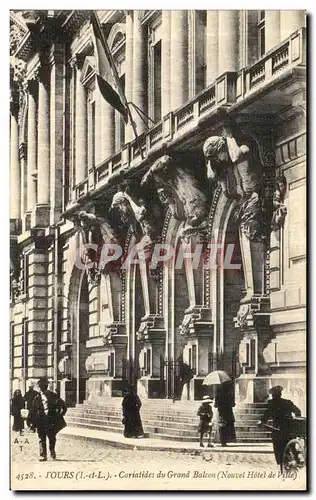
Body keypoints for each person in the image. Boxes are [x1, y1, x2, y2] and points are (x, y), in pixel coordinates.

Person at [258, 386, 301, 470]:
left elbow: (266, 415)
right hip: (289, 427)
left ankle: (280, 464)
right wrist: (296, 421)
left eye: (274, 395)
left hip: (277, 428)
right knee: (291, 445)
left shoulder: (271, 403)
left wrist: (262, 422)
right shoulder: (287, 402)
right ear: (280, 394)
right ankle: (296, 459)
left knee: (277, 447)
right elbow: (298, 411)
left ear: (273, 395)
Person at [30, 377, 67, 461]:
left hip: (51, 420)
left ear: (46, 386)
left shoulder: (53, 395)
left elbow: (63, 405)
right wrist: (32, 422)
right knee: (41, 438)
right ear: (40, 387)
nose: (43, 388)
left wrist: (61, 414)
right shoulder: (37, 398)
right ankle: (43, 455)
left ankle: (52, 451)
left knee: (52, 437)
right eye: (41, 386)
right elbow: (32, 410)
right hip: (41, 420)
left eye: (44, 386)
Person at [214, 381, 236, 447]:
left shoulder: (218, 394)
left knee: (221, 426)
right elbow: (233, 404)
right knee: (227, 426)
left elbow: (215, 405)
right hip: (228, 412)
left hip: (221, 412)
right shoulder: (230, 394)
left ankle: (221, 441)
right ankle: (225, 441)